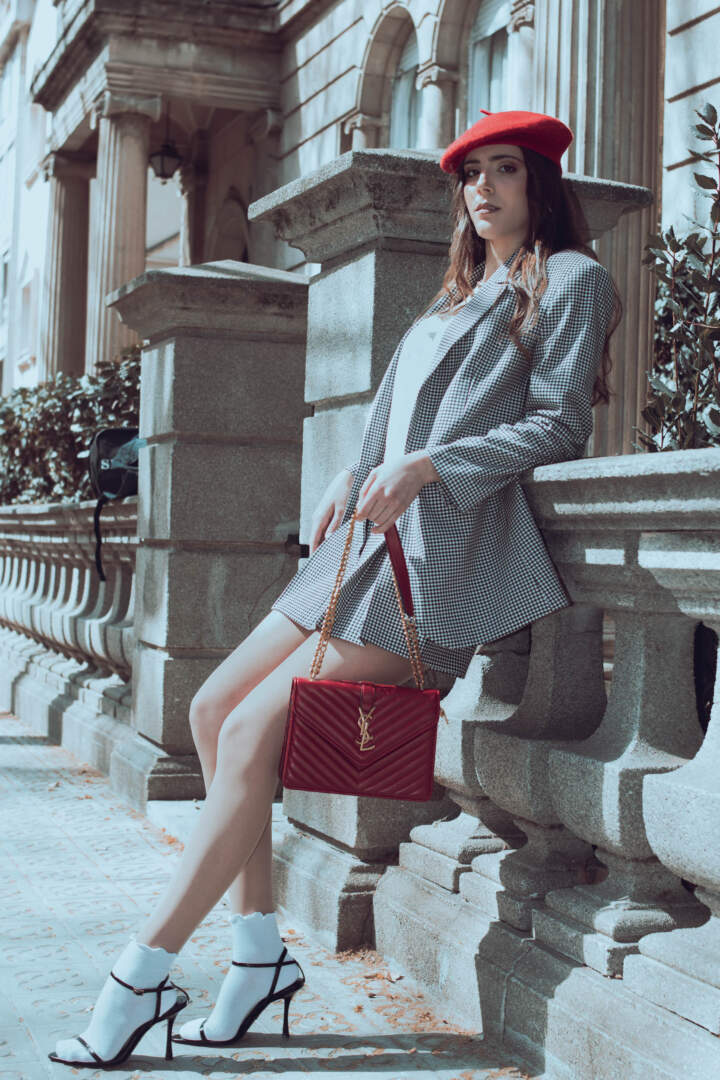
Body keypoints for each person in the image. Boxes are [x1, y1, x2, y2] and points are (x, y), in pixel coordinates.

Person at [49, 109, 621, 1068]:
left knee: (248, 731)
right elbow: (392, 418)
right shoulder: (458, 292)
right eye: (471, 173)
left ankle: (140, 975)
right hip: (359, 546)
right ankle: (258, 959)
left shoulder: (572, 280)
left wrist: (430, 468)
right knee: (212, 709)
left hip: (438, 561)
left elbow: (560, 425)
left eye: (506, 170)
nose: (483, 189)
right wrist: (355, 473)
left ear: (542, 184)